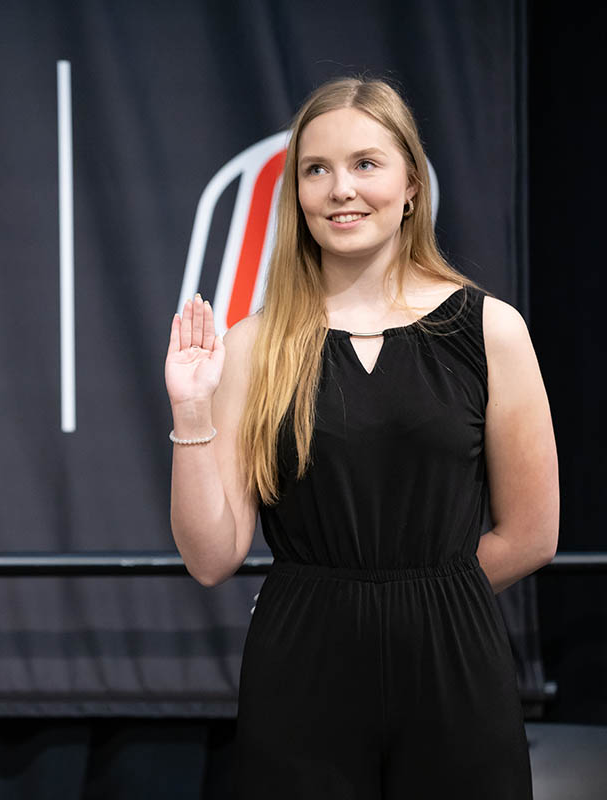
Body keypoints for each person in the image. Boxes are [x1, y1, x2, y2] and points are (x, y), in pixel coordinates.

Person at [165, 78, 557, 798]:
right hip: (301, 666)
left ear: (411, 182)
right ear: (297, 194)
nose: (340, 188)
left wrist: (419, 602)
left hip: (454, 665)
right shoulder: (255, 345)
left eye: (366, 164)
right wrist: (193, 413)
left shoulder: (491, 330)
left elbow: (533, 532)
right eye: (317, 169)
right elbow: (212, 558)